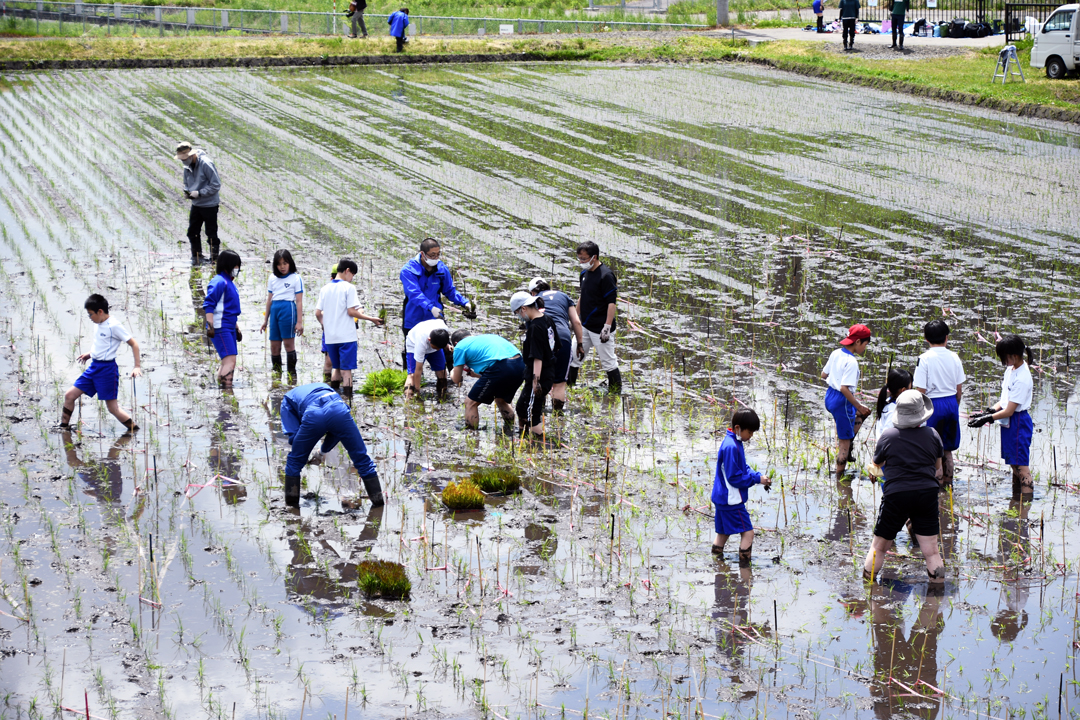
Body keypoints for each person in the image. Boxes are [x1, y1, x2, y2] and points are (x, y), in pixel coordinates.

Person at [863, 389, 945, 582]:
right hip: (927, 494)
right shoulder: (933, 435)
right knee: (932, 552)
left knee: (879, 547)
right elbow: (938, 468)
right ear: (921, 415)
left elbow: (877, 465)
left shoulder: (888, 436)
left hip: (896, 495)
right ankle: (936, 598)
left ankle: (868, 588)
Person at [279, 382, 384, 508]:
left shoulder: (287, 400)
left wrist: (303, 449)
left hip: (313, 414)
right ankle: (379, 506)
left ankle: (292, 507)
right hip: (338, 410)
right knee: (362, 460)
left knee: (294, 462)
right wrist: (321, 453)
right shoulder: (322, 386)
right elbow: (335, 432)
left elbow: (293, 436)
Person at [59, 294, 141, 433]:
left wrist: (137, 366)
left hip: (107, 370)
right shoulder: (98, 323)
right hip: (94, 367)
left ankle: (135, 430)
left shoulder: (114, 326)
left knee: (112, 409)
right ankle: (63, 428)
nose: (90, 318)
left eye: (91, 314)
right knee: (69, 396)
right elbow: (101, 344)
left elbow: (134, 344)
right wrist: (90, 354)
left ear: (100, 311)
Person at [968, 334, 1034, 497]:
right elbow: (1005, 401)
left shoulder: (1022, 378)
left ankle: (1024, 504)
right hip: (1009, 421)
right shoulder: (1011, 370)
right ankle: (1016, 497)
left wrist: (987, 419)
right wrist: (990, 410)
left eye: (1004, 357)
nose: (1002, 361)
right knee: (1013, 463)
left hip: (1017, 422)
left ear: (1015, 356)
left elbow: (1010, 410)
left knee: (1021, 467)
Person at [399, 238, 475, 370]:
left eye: (438, 254)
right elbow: (414, 294)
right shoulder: (408, 270)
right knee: (414, 353)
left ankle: (453, 379)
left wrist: (465, 303)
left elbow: (449, 290)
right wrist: (430, 307)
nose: (436, 258)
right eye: (432, 255)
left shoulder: (441, 269)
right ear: (423, 254)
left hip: (435, 319)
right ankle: (413, 382)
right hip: (413, 319)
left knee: (446, 350)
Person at [711, 407, 772, 566]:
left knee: (723, 533)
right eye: (750, 432)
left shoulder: (733, 441)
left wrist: (757, 476)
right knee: (748, 533)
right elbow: (734, 477)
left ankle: (717, 565)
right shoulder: (731, 447)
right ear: (738, 428)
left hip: (722, 498)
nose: (751, 436)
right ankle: (746, 572)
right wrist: (756, 480)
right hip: (731, 500)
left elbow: (743, 467)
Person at [315, 258, 384, 395]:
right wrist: (371, 319)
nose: (352, 279)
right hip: (346, 337)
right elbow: (351, 311)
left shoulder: (325, 288)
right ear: (347, 271)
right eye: (352, 275)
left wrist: (325, 325)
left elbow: (317, 313)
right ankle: (348, 401)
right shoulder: (349, 288)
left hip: (331, 338)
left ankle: (334, 398)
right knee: (346, 372)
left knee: (336, 368)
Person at [914, 320, 965, 486]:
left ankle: (936, 489)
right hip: (951, 403)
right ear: (947, 338)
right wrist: (955, 406)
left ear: (926, 339)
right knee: (947, 449)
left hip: (933, 404)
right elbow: (959, 389)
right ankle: (948, 486)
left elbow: (920, 390)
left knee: (933, 451)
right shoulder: (954, 357)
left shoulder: (924, 359)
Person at [821, 324, 872, 479]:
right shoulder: (851, 362)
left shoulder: (836, 353)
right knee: (843, 443)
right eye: (865, 344)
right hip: (842, 401)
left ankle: (849, 445)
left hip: (830, 396)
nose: (865, 348)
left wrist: (834, 380)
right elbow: (844, 388)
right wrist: (858, 405)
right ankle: (839, 477)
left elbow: (823, 375)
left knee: (862, 414)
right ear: (857, 342)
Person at [449, 330, 524, 434]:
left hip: (500, 367)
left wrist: (452, 372)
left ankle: (472, 436)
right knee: (500, 399)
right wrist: (476, 375)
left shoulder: (459, 346)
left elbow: (456, 379)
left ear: (455, 343)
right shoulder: (486, 337)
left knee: (470, 403)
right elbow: (499, 366)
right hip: (520, 365)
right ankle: (509, 430)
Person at [570, 241, 621, 395]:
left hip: (600, 328)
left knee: (608, 362)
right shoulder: (584, 274)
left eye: (584, 259)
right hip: (584, 326)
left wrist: (607, 326)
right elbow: (582, 296)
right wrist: (575, 317)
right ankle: (569, 388)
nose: (581, 262)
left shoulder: (606, 276)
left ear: (594, 257)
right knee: (573, 357)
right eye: (579, 258)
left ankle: (615, 394)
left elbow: (611, 303)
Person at [528, 277, 584, 413]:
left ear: (533, 293)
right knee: (559, 384)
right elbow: (576, 322)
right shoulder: (564, 296)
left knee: (538, 378)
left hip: (543, 336)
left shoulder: (532, 301)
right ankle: (558, 418)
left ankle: (538, 413)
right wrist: (580, 343)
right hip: (563, 338)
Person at [511, 291, 562, 439]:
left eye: (517, 313)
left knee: (531, 409)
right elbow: (556, 346)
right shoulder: (547, 320)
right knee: (524, 406)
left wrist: (536, 381)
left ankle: (538, 441)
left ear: (524, 309)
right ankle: (524, 436)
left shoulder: (535, 328)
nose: (519, 317)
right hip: (548, 370)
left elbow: (537, 357)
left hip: (539, 374)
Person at [176, 141, 221, 267]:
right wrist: (188, 191)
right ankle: (197, 257)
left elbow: (216, 184)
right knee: (192, 232)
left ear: (192, 155)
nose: (183, 161)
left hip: (209, 204)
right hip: (196, 204)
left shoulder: (206, 164)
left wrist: (200, 193)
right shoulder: (187, 166)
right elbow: (186, 182)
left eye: (184, 158)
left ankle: (214, 259)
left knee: (211, 233)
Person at [259, 249, 304, 376]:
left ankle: (291, 374)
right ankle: (277, 375)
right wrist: (265, 320)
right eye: (279, 264)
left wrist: (299, 322)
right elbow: (269, 300)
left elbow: (299, 301)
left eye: (285, 263)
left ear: (290, 263)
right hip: (275, 310)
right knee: (274, 346)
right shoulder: (272, 277)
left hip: (288, 309)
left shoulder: (296, 278)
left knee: (288, 345)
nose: (282, 267)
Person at [204, 249, 243, 388]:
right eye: (235, 266)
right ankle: (227, 391)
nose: (237, 269)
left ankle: (224, 389)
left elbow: (228, 309)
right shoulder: (219, 282)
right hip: (221, 328)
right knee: (229, 361)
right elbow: (209, 304)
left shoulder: (229, 283)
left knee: (228, 360)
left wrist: (236, 328)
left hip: (229, 326)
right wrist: (210, 325)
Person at [866, 368, 913, 479]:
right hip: (890, 461)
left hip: (888, 458)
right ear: (903, 390)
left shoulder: (888, 404)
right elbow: (887, 438)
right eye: (911, 387)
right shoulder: (894, 410)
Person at [403, 318, 451, 400]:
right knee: (412, 375)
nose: (438, 350)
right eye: (436, 348)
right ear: (429, 340)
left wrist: (446, 345)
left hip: (435, 341)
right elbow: (418, 369)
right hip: (413, 345)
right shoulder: (420, 341)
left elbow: (443, 341)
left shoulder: (444, 329)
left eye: (439, 348)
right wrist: (417, 390)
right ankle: (409, 400)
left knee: (442, 372)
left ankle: (442, 395)